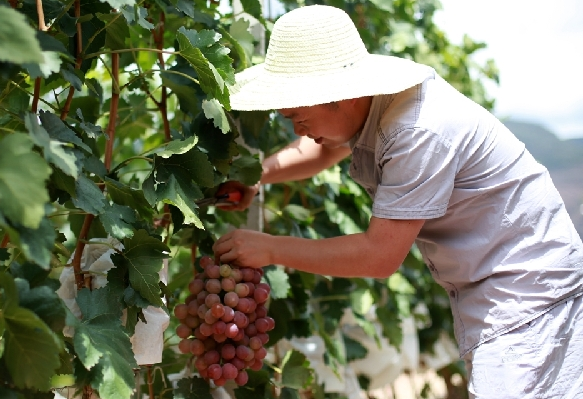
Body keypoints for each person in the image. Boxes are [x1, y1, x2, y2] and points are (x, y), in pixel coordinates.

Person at [211, 5, 583, 398]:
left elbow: (379, 256)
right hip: (502, 287)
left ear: (342, 96)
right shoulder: (375, 105)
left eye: (299, 117)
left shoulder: (416, 130)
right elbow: (319, 150)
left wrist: (269, 248)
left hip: (526, 293)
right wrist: (257, 177)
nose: (295, 127)